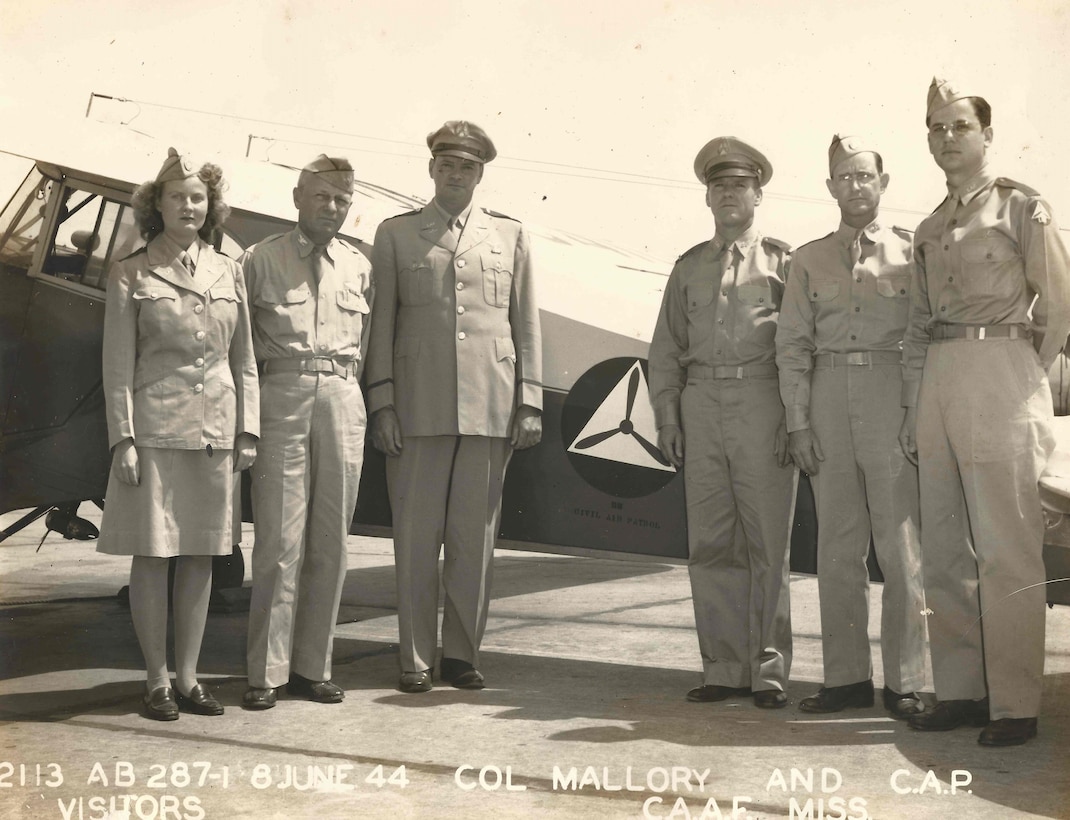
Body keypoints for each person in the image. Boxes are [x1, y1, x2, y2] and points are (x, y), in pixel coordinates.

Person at [899, 78, 1070, 746]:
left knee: (1006, 549)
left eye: (959, 126)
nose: (947, 138)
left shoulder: (1021, 207)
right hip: (939, 377)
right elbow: (917, 323)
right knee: (943, 548)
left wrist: (1024, 369)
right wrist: (916, 405)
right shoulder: (930, 225)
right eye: (936, 128)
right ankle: (963, 692)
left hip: (1002, 370)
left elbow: (1058, 306)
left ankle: (1015, 705)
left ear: (988, 135)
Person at [366, 121, 542, 693]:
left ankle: (463, 655)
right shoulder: (396, 235)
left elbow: (525, 325)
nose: (456, 174)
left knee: (474, 539)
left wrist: (530, 401)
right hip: (417, 409)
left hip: (490, 408)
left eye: (467, 166)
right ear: (432, 168)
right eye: (447, 164)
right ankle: (415, 658)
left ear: (480, 173)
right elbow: (382, 326)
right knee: (416, 539)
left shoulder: (509, 237)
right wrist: (383, 403)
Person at [98, 148, 259, 721]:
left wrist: (248, 431)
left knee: (201, 556)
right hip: (155, 430)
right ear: (156, 205)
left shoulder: (228, 269)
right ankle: (157, 680)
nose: (189, 205)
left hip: (214, 432)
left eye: (198, 197)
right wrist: (123, 439)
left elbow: (244, 362)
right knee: (153, 555)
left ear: (209, 206)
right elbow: (117, 366)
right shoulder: (132, 271)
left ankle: (189, 678)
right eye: (177, 197)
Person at [776, 135, 926, 719]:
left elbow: (920, 338)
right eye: (844, 176)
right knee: (837, 545)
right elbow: (791, 344)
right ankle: (845, 679)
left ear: (882, 184)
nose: (855, 186)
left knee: (900, 546)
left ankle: (906, 681)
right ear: (830, 186)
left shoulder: (912, 253)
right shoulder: (808, 258)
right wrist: (797, 422)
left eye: (865, 176)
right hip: (827, 400)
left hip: (891, 399)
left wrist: (914, 414)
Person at [648, 136, 795, 710]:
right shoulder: (688, 268)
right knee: (710, 544)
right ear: (707, 197)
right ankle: (723, 669)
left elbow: (798, 347)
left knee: (767, 547)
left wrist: (794, 416)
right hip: (701, 404)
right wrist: (667, 417)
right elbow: (666, 349)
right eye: (719, 185)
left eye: (740, 185)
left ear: (759, 193)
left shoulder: (785, 263)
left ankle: (770, 673)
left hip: (762, 404)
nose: (729, 193)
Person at [241, 155, 373, 710]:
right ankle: (265, 673)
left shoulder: (358, 266)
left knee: (330, 542)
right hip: (282, 395)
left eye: (342, 199)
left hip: (342, 398)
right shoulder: (260, 260)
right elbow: (240, 350)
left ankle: (311, 667)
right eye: (322, 197)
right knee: (278, 540)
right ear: (297, 198)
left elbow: (363, 349)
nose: (333, 207)